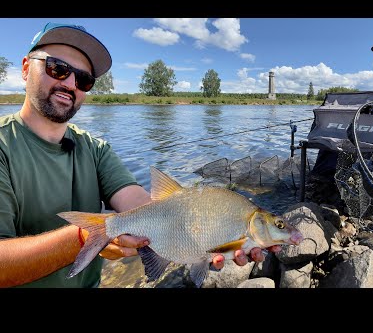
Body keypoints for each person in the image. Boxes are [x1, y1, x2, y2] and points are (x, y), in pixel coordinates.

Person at [0, 22, 280, 288]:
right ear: (26, 68)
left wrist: (198, 233)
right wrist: (84, 236)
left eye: (84, 79)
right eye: (57, 68)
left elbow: (142, 204)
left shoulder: (95, 149)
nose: (70, 84)